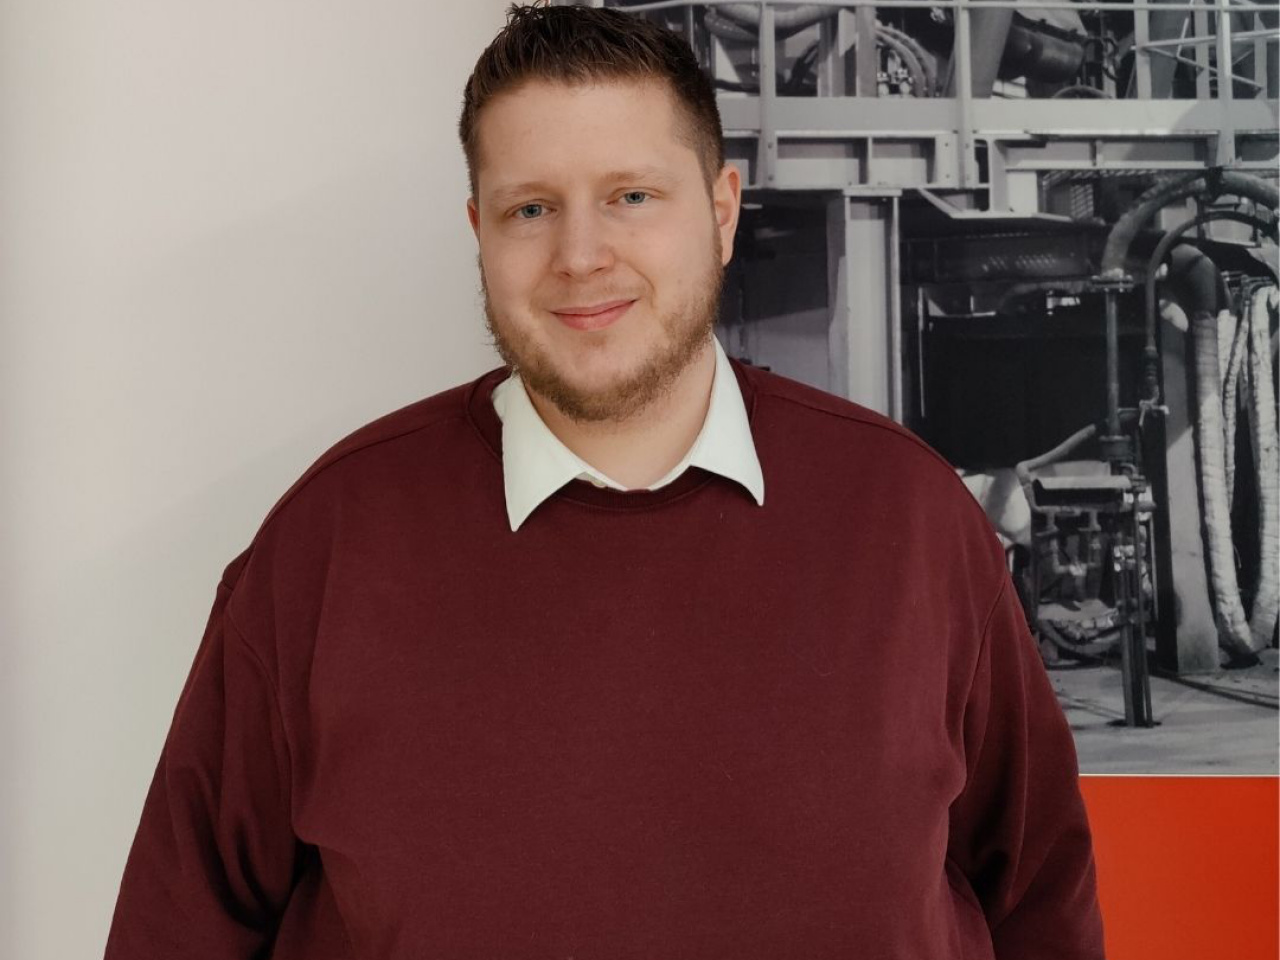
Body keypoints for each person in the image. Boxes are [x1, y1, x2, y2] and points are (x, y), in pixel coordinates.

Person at [104, 5, 1105, 957]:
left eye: (631, 196)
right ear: (480, 232)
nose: (580, 256)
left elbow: (1038, 902)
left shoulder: (908, 520)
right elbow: (181, 927)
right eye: (531, 208)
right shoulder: (329, 544)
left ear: (721, 212)